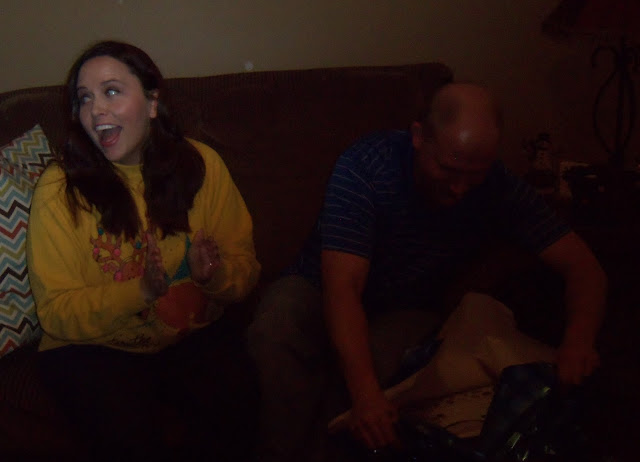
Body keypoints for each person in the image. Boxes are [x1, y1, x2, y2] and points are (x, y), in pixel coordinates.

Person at [247, 82, 607, 460]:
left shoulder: (498, 186)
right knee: (277, 321)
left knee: (378, 362)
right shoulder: (366, 167)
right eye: (448, 169)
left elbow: (585, 267)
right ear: (419, 136)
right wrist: (365, 395)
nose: (459, 189)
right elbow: (343, 286)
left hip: (407, 307)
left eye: (474, 175)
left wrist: (578, 341)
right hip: (319, 284)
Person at [26, 41, 261, 461]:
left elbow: (246, 270)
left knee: (239, 409)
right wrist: (141, 291)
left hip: (189, 337)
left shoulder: (202, 165)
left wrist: (214, 277)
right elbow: (56, 313)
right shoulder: (59, 189)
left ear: (153, 103)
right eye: (84, 98)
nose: (96, 110)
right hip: (93, 348)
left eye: (111, 91)